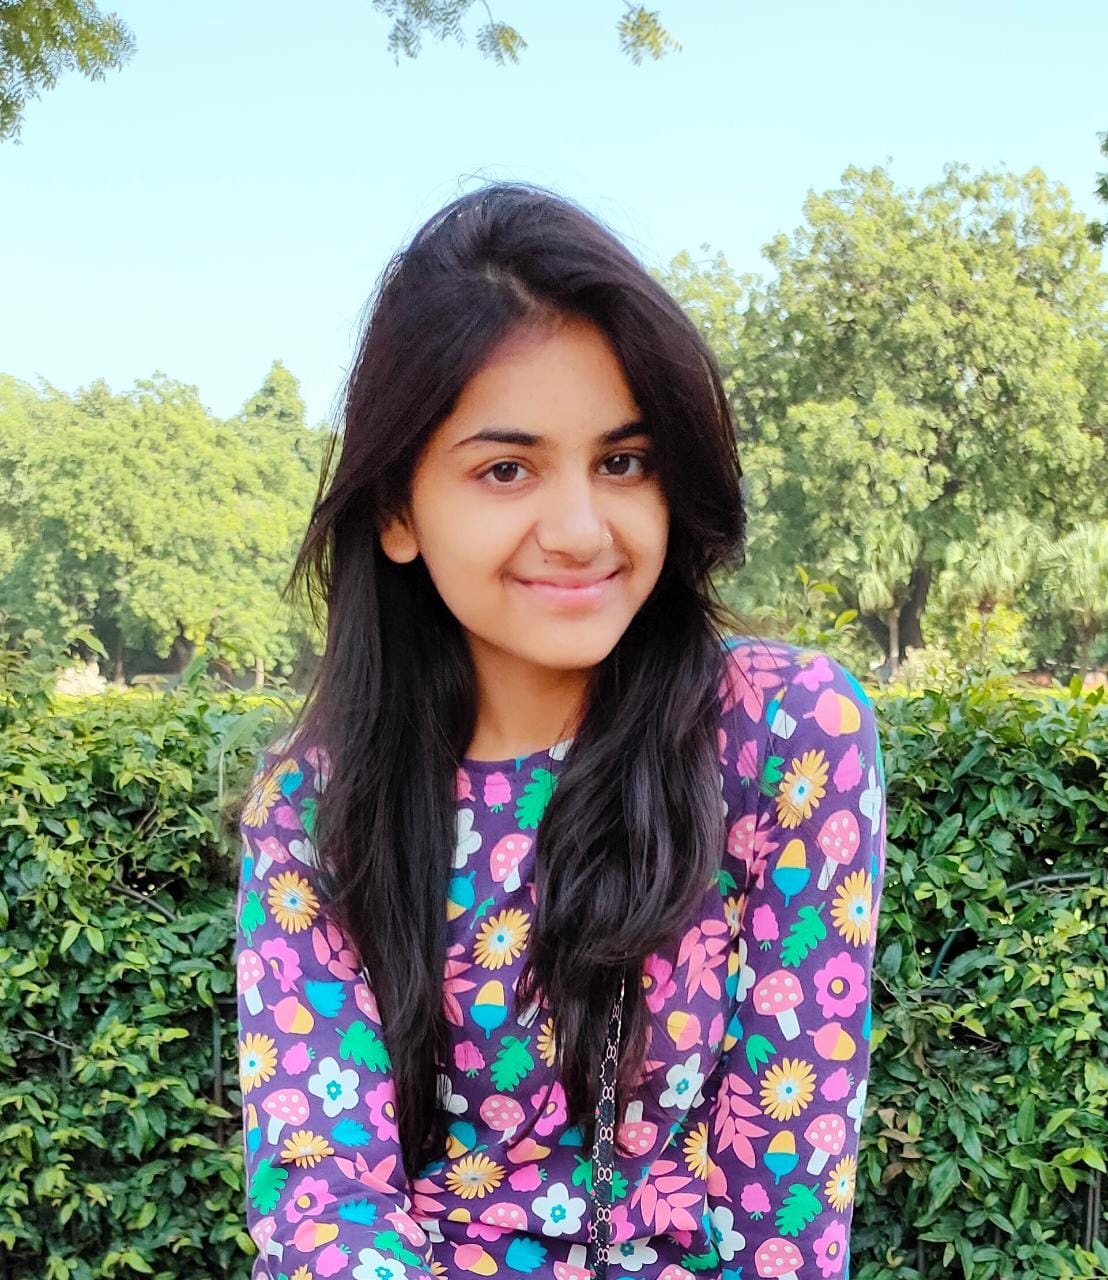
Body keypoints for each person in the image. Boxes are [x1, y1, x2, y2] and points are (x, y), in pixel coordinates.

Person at [234, 182, 887, 1280]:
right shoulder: (314, 808)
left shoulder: (783, 732)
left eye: (622, 461)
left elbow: (788, 1205)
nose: (581, 530)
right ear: (396, 510)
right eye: (506, 469)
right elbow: (323, 1207)